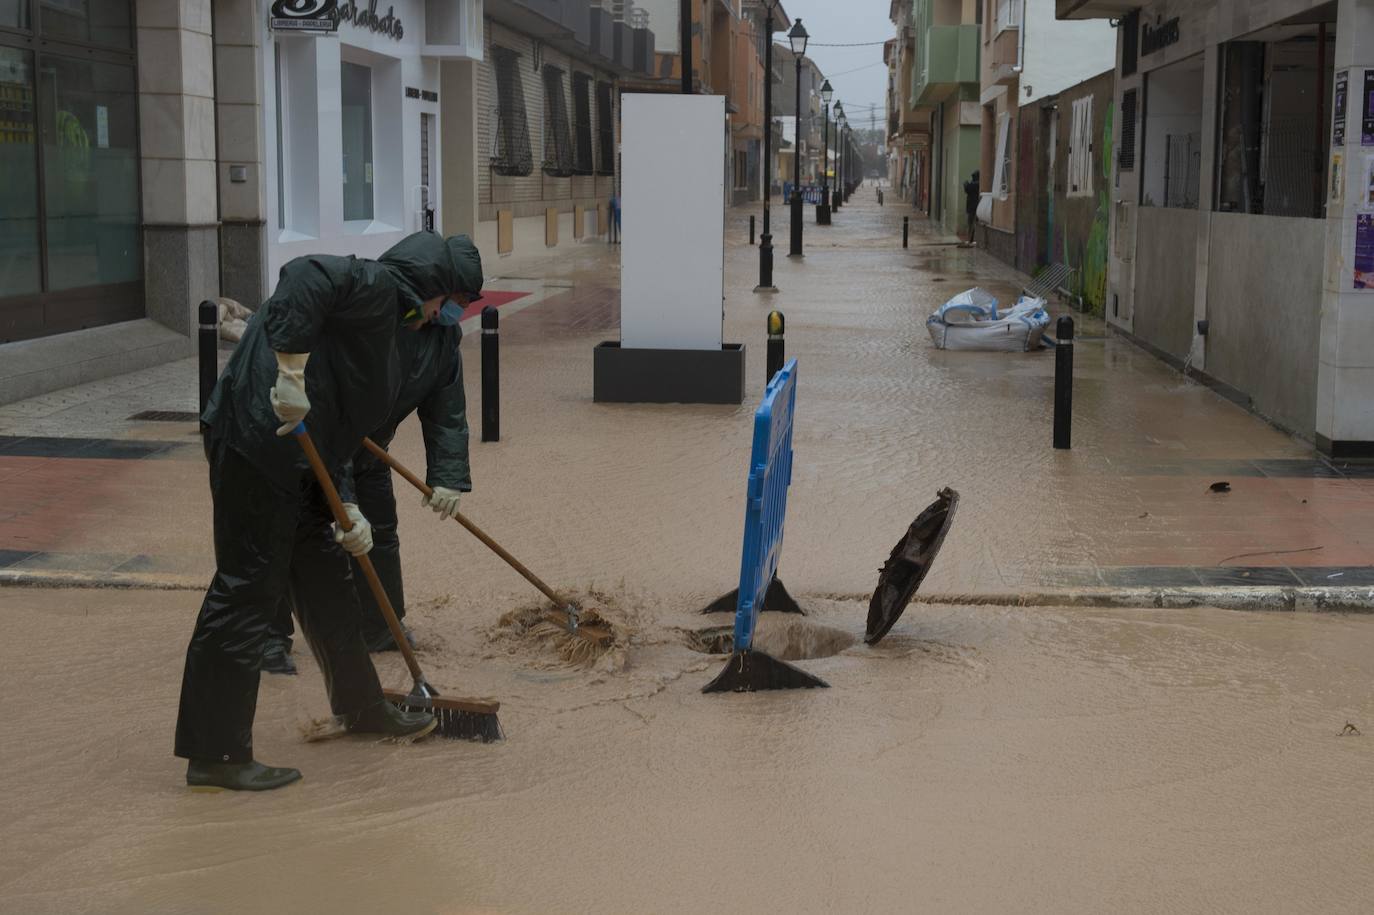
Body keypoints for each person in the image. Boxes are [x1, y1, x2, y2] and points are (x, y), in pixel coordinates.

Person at [175, 231, 479, 792]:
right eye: (446, 300)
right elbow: (306, 272)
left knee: (327, 582)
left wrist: (349, 506)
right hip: (256, 438)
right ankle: (215, 754)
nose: (445, 314)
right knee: (248, 585)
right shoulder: (377, 287)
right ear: (430, 286)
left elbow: (344, 413)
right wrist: (288, 370)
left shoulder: (404, 329)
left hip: (307, 453)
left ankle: (361, 708)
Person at [262, 237, 481, 661]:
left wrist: (447, 479)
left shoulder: (441, 341)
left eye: (466, 301)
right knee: (285, 533)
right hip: (316, 442)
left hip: (371, 449)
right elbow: (334, 404)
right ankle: (267, 638)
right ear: (435, 285)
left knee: (380, 533)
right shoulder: (374, 316)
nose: (458, 309)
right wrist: (343, 498)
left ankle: (380, 627)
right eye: (457, 298)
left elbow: (446, 413)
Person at [963, 170, 981, 247]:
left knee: (972, 224)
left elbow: (967, 187)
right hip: (975, 207)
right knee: (974, 224)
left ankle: (971, 239)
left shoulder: (974, 184)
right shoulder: (977, 184)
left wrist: (966, 184)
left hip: (972, 208)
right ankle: (972, 239)